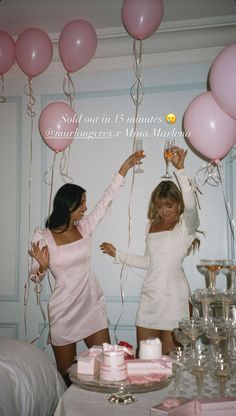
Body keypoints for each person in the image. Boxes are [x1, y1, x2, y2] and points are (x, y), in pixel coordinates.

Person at [28, 151, 145, 385]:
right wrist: (41, 267)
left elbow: (106, 201)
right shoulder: (44, 237)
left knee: (107, 365)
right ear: (67, 205)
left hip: (91, 305)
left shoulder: (84, 227)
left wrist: (124, 168)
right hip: (63, 310)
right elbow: (34, 277)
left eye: (84, 203)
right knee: (67, 373)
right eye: (81, 203)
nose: (85, 207)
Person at [100, 147, 200, 355]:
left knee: (171, 364)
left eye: (169, 205)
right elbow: (148, 262)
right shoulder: (151, 226)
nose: (164, 211)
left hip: (175, 297)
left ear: (178, 204)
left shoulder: (186, 225)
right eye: (160, 206)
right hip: (150, 297)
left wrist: (180, 170)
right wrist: (118, 254)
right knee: (145, 360)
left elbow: (191, 207)